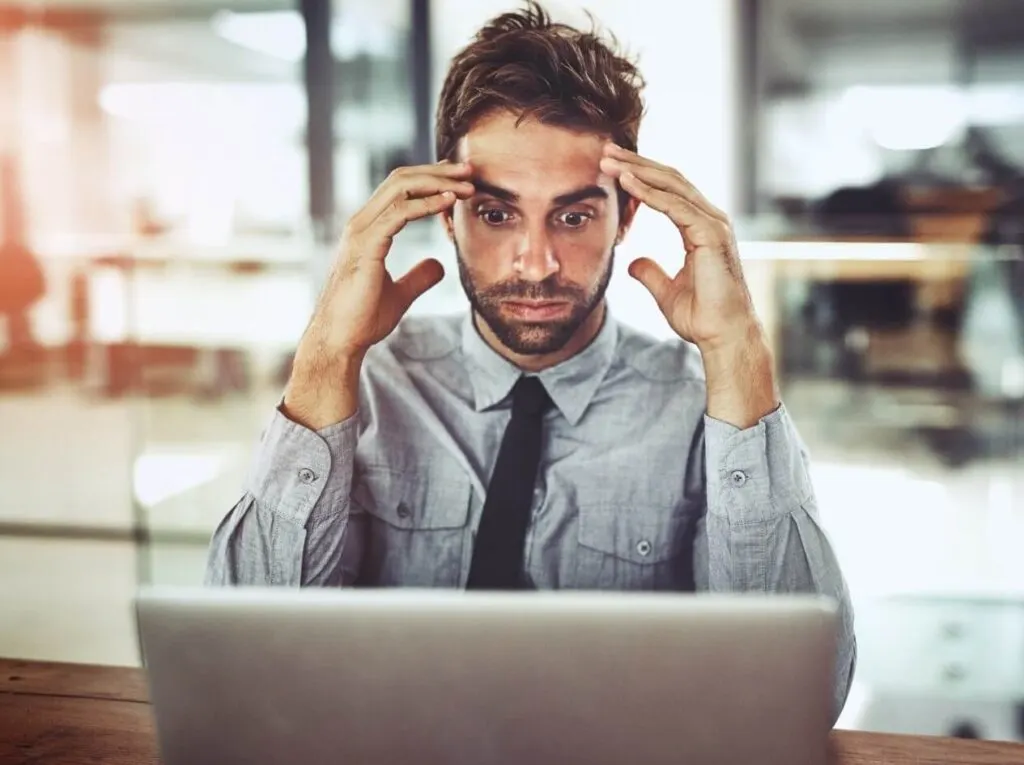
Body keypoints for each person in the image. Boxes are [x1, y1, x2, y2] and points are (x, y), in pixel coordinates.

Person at [206, 2, 856, 720]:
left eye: (574, 216)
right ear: (444, 213)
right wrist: (328, 351)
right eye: (495, 213)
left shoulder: (709, 409)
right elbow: (241, 667)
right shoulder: (364, 390)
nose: (537, 263)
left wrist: (739, 355)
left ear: (627, 216)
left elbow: (802, 700)